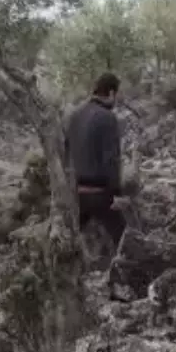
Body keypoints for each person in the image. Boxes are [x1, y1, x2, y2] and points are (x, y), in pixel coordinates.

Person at [65, 72, 127, 249]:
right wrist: (117, 194)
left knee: (71, 239)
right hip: (100, 193)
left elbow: (66, 150)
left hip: (76, 192)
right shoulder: (107, 118)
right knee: (124, 239)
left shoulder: (74, 115)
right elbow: (111, 159)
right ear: (111, 93)